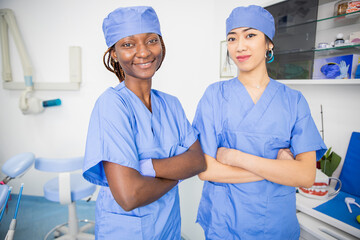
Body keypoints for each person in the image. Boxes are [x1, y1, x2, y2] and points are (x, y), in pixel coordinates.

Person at [193, 5, 327, 240]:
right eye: (232, 38)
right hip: (224, 223)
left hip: (275, 225)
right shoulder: (214, 96)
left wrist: (235, 157)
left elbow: (306, 176)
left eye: (250, 35)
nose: (240, 46)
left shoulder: (293, 101)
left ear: (269, 44)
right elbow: (206, 170)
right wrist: (279, 170)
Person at [82, 6, 206, 239]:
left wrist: (146, 167)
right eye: (128, 44)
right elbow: (130, 196)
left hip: (168, 227)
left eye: (151, 40)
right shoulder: (111, 105)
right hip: (125, 231)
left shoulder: (172, 104)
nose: (144, 52)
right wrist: (178, 170)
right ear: (115, 54)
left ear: (161, 45)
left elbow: (198, 161)